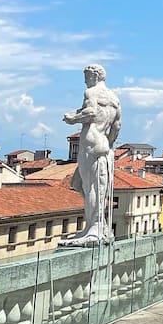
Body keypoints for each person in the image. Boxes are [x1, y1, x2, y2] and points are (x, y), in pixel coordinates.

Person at [62, 64, 122, 245]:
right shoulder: (114, 98)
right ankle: (99, 224)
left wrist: (72, 118)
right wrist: (109, 143)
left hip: (90, 143)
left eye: (87, 76)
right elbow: (117, 126)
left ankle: (93, 228)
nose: (85, 80)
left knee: (93, 188)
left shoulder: (91, 93)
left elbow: (91, 112)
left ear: (95, 76)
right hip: (104, 143)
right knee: (79, 183)